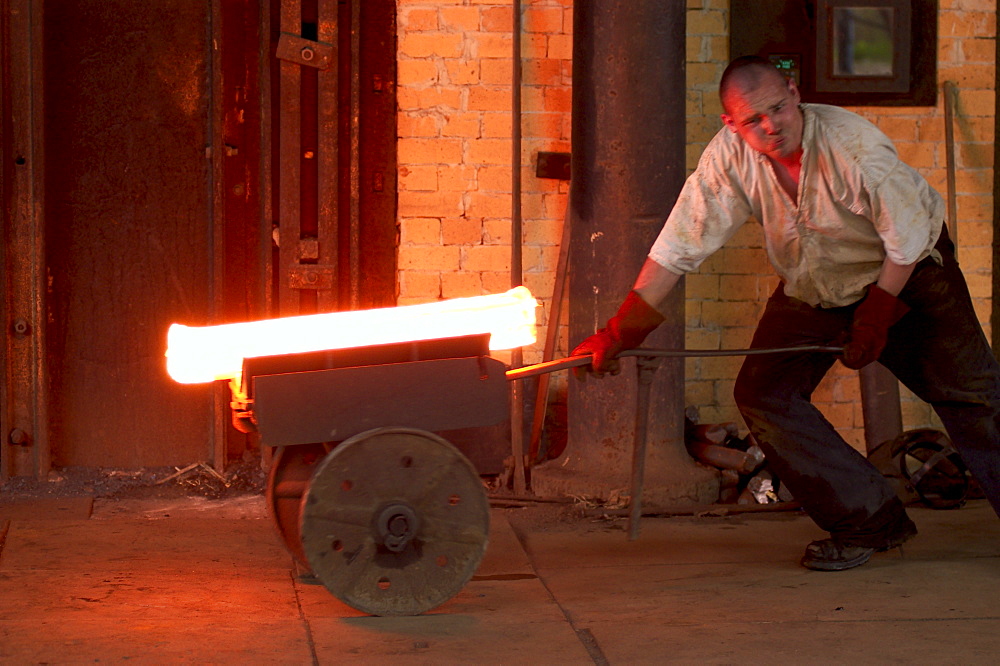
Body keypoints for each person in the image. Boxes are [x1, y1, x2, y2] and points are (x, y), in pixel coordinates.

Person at [571, 55, 1000, 571]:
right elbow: (679, 246)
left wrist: (875, 316)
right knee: (764, 393)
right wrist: (623, 328)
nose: (772, 126)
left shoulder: (855, 149)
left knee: (975, 401)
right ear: (731, 124)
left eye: (778, 108)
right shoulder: (728, 159)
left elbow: (906, 242)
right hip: (815, 284)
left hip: (910, 279)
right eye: (754, 120)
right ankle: (868, 519)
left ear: (795, 94)